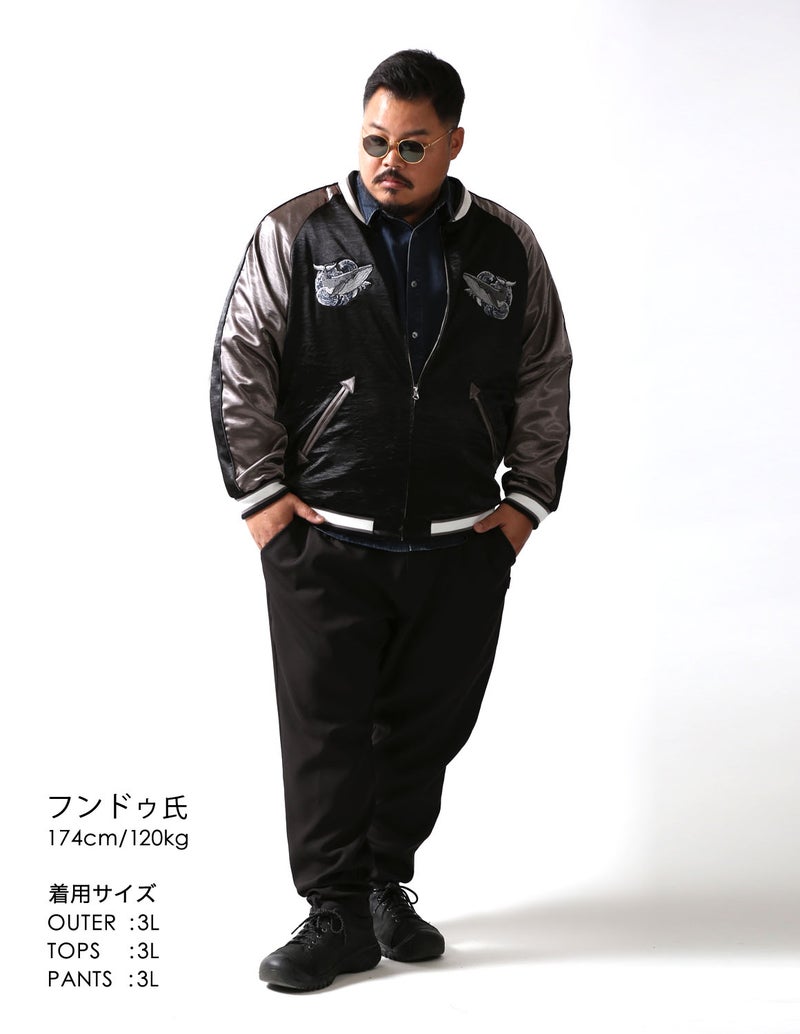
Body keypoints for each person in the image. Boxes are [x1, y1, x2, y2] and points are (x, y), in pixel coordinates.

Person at [210, 49, 572, 992]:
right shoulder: (296, 232)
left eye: (413, 145)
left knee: (423, 731)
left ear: (454, 142)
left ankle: (382, 885)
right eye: (375, 141)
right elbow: (243, 360)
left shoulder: (506, 246)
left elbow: (544, 372)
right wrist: (265, 503)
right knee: (326, 732)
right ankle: (332, 911)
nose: (389, 162)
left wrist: (525, 504)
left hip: (461, 543)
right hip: (324, 536)